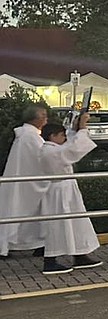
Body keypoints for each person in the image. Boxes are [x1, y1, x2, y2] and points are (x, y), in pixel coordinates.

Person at [38, 120, 103, 275]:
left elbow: (68, 147)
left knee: (76, 222)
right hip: (59, 192)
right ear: (52, 136)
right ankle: (50, 260)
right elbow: (73, 150)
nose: (64, 138)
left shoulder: (52, 149)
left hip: (65, 189)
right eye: (61, 135)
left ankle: (79, 254)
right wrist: (82, 129)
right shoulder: (50, 151)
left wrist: (75, 129)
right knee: (58, 225)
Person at [0, 104, 52, 259]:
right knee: (27, 213)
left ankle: (39, 244)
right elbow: (44, 156)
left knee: (30, 214)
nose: (46, 118)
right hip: (28, 183)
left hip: (25, 182)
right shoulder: (30, 137)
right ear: (36, 118)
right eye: (44, 115)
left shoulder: (27, 135)